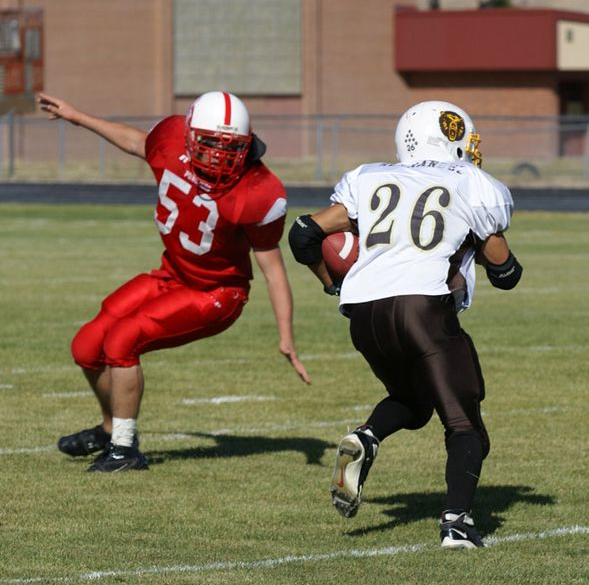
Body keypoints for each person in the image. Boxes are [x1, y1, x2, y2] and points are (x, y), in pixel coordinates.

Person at [289, 100, 522, 548]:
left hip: (363, 315)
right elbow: (506, 272)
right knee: (465, 424)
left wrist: (332, 285)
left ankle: (367, 436)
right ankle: (457, 524)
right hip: (423, 309)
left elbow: (303, 233)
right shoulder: (470, 183)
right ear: (454, 140)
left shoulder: (369, 176)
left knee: (414, 403)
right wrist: (495, 256)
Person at [37, 90, 310, 473]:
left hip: (217, 293)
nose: (218, 154)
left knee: (122, 341)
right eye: (211, 143)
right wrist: (78, 116)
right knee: (86, 346)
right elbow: (136, 141)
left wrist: (286, 335)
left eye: (229, 147)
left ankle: (125, 449)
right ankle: (111, 427)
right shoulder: (168, 139)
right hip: (172, 274)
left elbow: (272, 266)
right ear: (189, 137)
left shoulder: (258, 191)